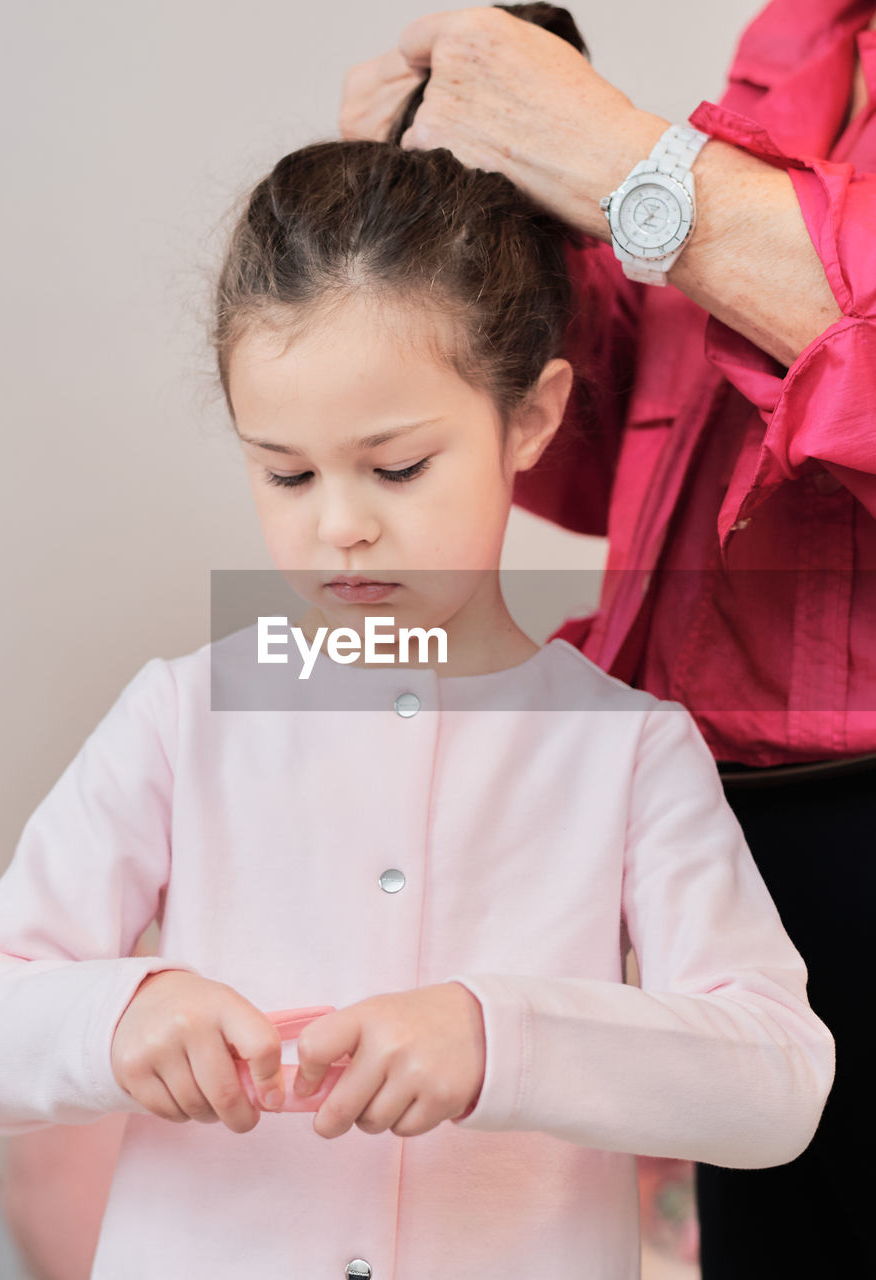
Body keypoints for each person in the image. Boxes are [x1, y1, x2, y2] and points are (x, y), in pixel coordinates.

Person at [0, 14, 834, 1277]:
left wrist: (498, 1035)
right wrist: (121, 1010)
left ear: (532, 417)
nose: (340, 526)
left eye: (397, 466)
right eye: (284, 473)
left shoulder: (627, 748)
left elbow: (778, 1080)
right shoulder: (185, 717)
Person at [339, 2, 876, 1275]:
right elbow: (644, 450)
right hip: (735, 811)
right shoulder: (811, 38)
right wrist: (524, 217)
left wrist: (630, 167)